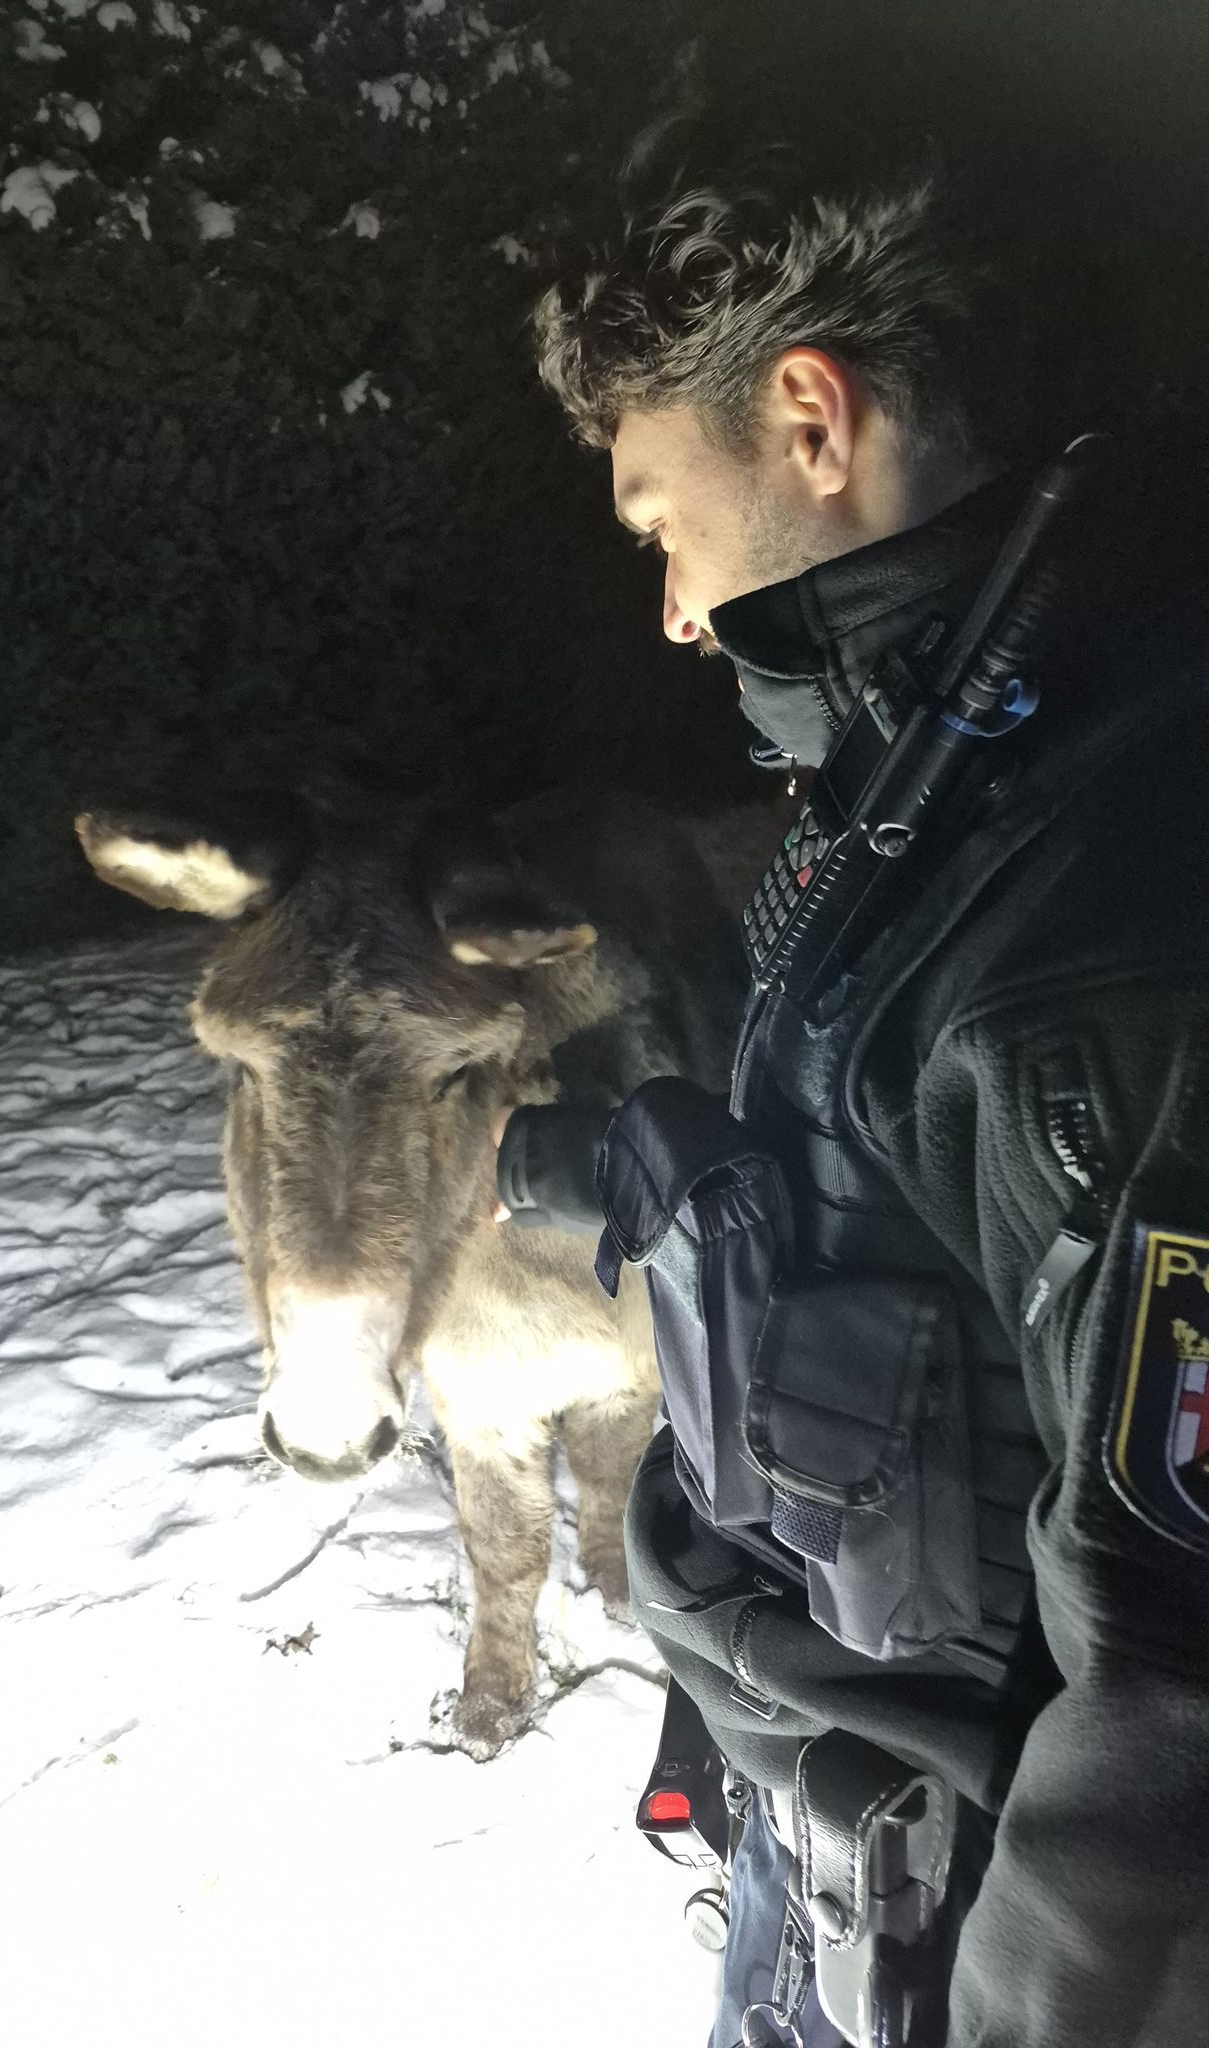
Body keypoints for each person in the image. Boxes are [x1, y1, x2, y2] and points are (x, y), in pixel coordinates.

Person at [494, 119, 1209, 2047]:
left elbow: (1181, 1687)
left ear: (809, 418)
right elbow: (920, 1204)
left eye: (660, 520)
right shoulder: (940, 754)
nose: (667, 603)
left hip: (962, 1922)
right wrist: (662, 1170)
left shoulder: (1097, 884)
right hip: (818, 1794)